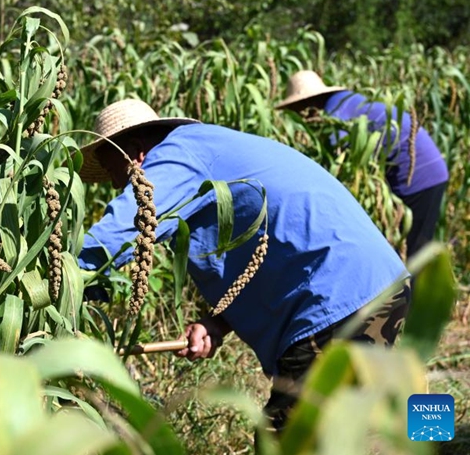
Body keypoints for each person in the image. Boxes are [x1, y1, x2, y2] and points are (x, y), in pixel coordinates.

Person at [76, 98, 410, 437]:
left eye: (112, 171)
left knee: (285, 439)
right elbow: (264, 249)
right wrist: (218, 322)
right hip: (376, 285)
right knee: (365, 418)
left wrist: (49, 284)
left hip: (337, 298)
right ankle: (444, 435)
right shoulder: (210, 150)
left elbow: (118, 232)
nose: (115, 186)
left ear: (136, 153)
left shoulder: (175, 155)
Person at [276, 70, 449, 260]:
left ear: (306, 105)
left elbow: (338, 160)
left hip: (418, 177)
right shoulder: (347, 100)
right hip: (428, 168)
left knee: (410, 256)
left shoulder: (337, 113)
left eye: (296, 110)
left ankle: (415, 290)